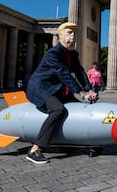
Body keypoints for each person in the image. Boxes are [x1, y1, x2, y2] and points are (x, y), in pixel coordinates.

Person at [25, 22, 97, 164]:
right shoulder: (53, 53)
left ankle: (76, 141)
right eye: (69, 33)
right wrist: (81, 92)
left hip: (57, 88)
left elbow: (80, 72)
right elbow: (64, 74)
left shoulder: (73, 54)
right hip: (42, 88)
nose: (73, 36)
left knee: (79, 109)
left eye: (74, 33)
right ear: (60, 36)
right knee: (57, 110)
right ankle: (35, 149)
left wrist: (90, 89)